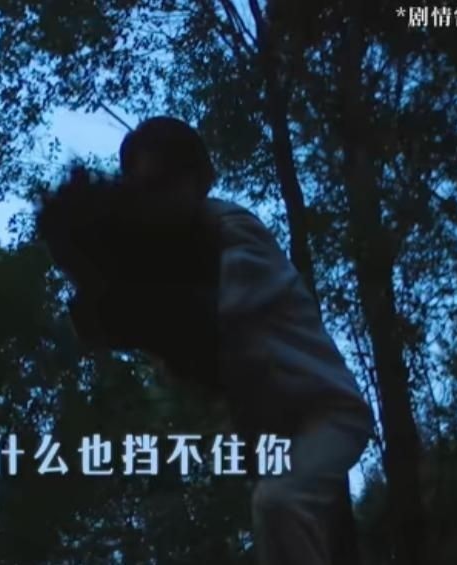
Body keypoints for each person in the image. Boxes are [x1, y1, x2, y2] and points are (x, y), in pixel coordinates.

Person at [61, 116, 374, 565]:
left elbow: (205, 314)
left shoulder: (231, 230)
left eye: (164, 184)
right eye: (143, 192)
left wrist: (121, 304)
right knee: (292, 522)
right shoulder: (180, 256)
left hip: (329, 414)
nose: (156, 201)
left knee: (280, 502)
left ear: (201, 179)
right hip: (274, 434)